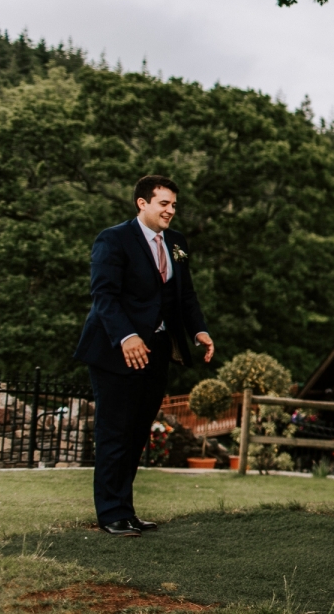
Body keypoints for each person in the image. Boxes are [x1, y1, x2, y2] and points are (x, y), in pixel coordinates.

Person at [75, 175, 214, 537]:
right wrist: (127, 336)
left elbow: (185, 296)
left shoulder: (177, 243)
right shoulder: (113, 239)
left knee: (137, 434)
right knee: (114, 434)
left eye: (173, 205)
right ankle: (110, 514)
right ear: (142, 203)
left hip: (158, 352)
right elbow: (104, 295)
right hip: (115, 352)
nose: (170, 211)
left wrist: (199, 329)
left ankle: (126, 511)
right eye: (163, 204)